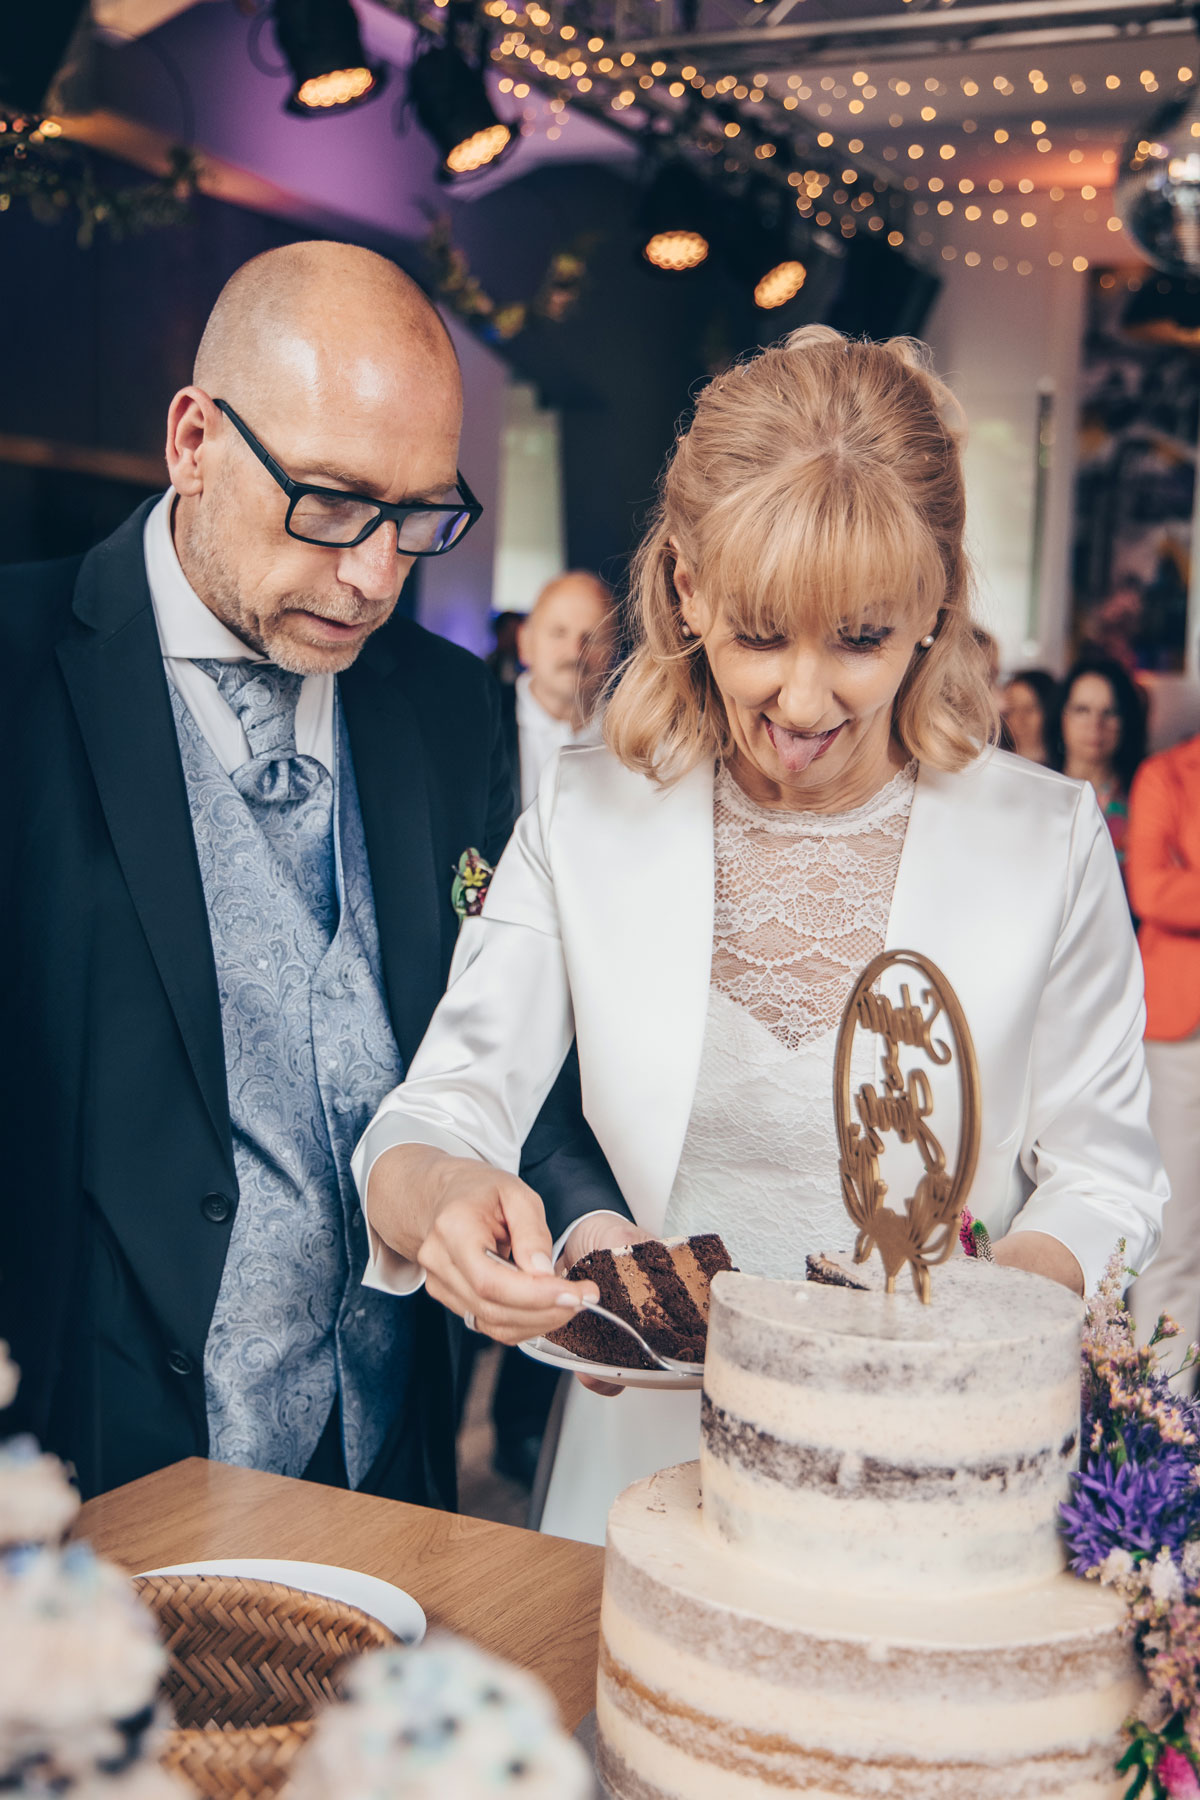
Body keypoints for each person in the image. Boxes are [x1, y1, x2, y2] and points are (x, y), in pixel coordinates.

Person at [353, 327, 1167, 1546]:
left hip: (937, 1476)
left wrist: (979, 1316)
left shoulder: (1045, 842)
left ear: (934, 597)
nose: (801, 702)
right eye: (757, 633)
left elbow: (1105, 1174)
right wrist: (441, 1198)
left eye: (860, 640)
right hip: (636, 1469)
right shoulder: (586, 811)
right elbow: (448, 1099)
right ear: (685, 588)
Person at [0, 240, 623, 1505]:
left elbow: (505, 1042)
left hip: (383, 1471)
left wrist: (585, 1225)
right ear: (193, 440)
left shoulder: (452, 710)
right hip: (87, 1471)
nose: (374, 576)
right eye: (331, 505)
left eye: (419, 518)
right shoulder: (14, 666)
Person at [1127, 726, 1200, 1387]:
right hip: (1180, 1034)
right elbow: (1149, 888)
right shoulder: (1168, 775)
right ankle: (1159, 1425)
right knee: (1175, 1238)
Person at [500, 571, 616, 814]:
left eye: (592, 638)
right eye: (558, 633)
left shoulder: (632, 738)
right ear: (525, 642)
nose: (575, 652)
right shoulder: (481, 724)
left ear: (613, 650)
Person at [1047, 655, 1147, 884]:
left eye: (1110, 712)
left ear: (1126, 722)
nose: (1095, 724)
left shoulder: (1145, 799)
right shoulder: (1036, 790)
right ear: (1062, 717)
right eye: (1082, 709)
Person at [1000, 668, 1058, 765]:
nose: (1020, 719)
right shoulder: (997, 764)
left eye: (1029, 709)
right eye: (1012, 710)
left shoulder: (1065, 770)